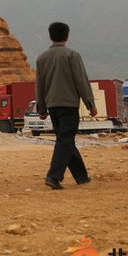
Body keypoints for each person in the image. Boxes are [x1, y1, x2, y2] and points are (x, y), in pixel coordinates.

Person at [35, 22, 96, 189]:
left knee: (66, 140)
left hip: (52, 106)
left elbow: (39, 85)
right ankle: (53, 176)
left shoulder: (42, 58)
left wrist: (41, 108)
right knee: (65, 140)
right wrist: (90, 104)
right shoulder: (72, 55)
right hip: (69, 105)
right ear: (67, 36)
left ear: (50, 36)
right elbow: (81, 81)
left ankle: (82, 177)